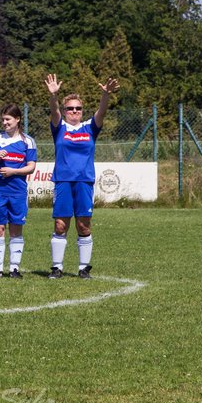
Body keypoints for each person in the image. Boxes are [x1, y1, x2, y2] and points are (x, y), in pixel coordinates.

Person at [46, 74, 120, 279]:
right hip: (63, 181)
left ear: (82, 111)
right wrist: (53, 96)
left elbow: (102, 111)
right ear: (65, 110)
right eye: (70, 108)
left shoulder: (89, 128)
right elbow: (54, 111)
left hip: (84, 181)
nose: (74, 112)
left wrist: (105, 95)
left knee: (83, 225)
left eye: (78, 108)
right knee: (61, 224)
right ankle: (56, 267)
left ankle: (83, 268)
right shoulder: (59, 127)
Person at [0, 104, 37, 278]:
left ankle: (14, 268)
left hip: (18, 192)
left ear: (18, 119)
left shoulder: (27, 141)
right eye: (3, 119)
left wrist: (14, 171)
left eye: (8, 119)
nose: (4, 122)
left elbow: (31, 167)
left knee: (16, 229)